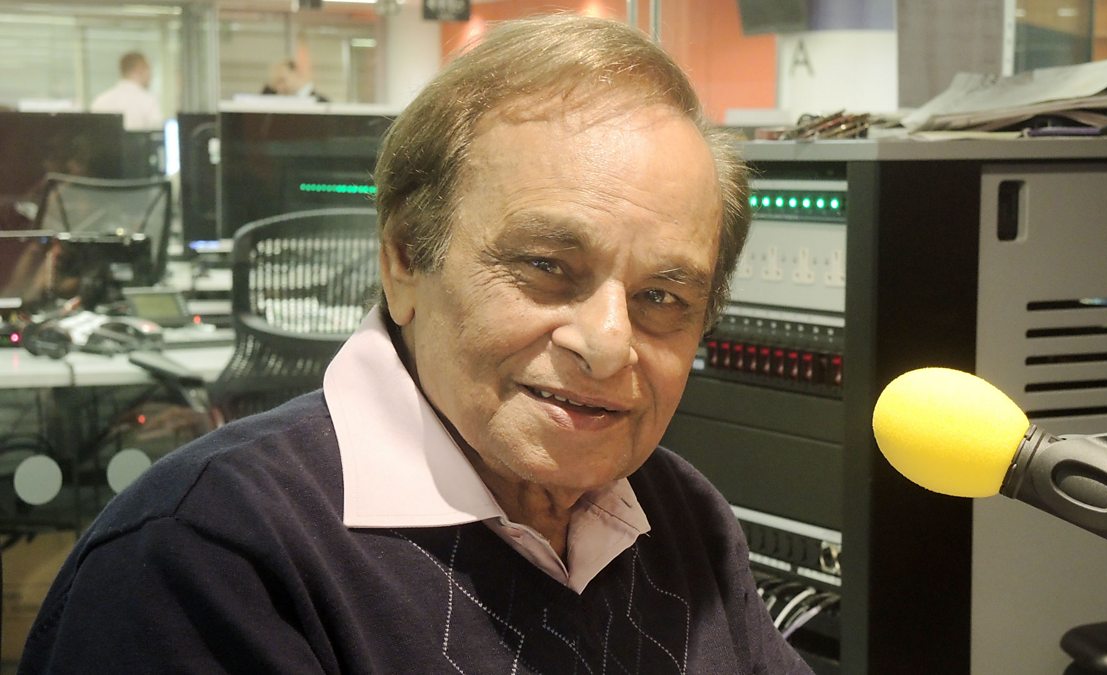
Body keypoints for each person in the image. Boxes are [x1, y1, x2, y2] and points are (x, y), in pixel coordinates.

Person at [20, 14, 813, 674]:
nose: (608, 344)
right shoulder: (207, 558)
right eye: (546, 266)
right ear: (404, 258)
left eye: (662, 298)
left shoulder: (682, 516)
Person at [90, 51, 163, 131]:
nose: (151, 76)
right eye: (148, 69)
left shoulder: (100, 100)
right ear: (140, 69)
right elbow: (156, 132)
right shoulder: (148, 100)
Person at [265, 58, 330, 102]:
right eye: (276, 84)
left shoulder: (322, 103)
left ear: (296, 72)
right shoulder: (281, 103)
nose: (278, 88)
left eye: (282, 80)